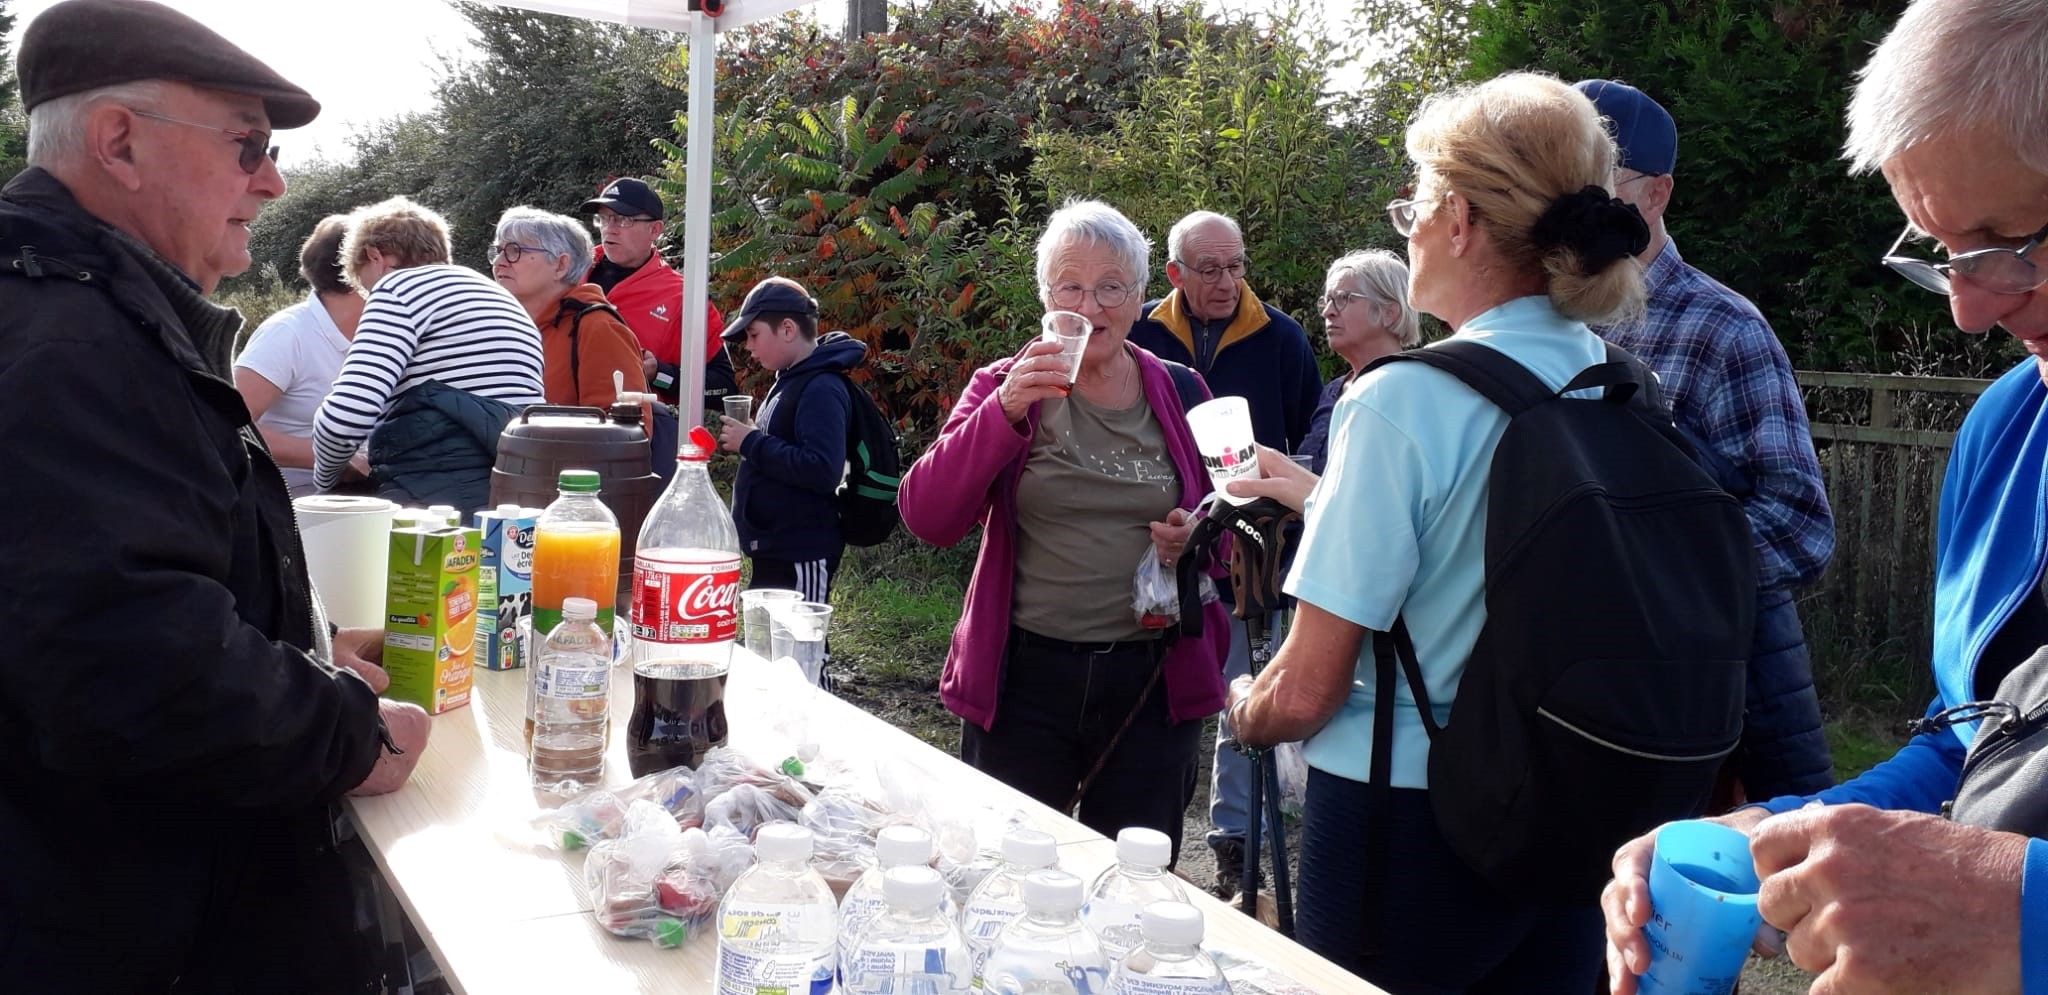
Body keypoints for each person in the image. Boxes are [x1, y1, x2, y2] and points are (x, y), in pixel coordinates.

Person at [1603, 1, 2048, 992]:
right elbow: (1975, 741)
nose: (1971, 312)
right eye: (1939, 258)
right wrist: (1785, 827)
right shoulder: (2003, 431)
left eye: (2007, 245)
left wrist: (2025, 909)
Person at [0, 2, 429, 990]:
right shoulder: (68, 340)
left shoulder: (86, 312)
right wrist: (347, 731)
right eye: (248, 146)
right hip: (118, 923)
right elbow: (125, 658)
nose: (273, 181)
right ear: (119, 142)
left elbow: (132, 571)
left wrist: (307, 651)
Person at [1223, 73, 1651, 989]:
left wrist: (1244, 711)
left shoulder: (1400, 401)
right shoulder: (1619, 384)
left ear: (1458, 219)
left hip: (1410, 818)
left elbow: (1304, 689)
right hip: (1575, 811)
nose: (1406, 226)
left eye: (1413, 203)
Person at [899, 200, 1231, 862]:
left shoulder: (1185, 389)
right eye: (1071, 286)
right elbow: (926, 516)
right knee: (1005, 872)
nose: (1090, 305)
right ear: (1046, 296)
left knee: (1135, 878)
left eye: (1111, 286)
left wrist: (1193, 539)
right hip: (1026, 679)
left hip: (1148, 683)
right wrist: (1006, 409)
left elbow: (1230, 533)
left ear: (1141, 298)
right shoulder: (1003, 384)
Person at [1576, 78, 1838, 804]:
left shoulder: (1724, 327)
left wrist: (1645, 566)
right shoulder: (1540, 325)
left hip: (1688, 725)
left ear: (1655, 195)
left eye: (1596, 184)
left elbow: (1800, 529)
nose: (1568, 208)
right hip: (1570, 707)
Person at [1127, 209, 1322, 896]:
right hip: (1152, 536)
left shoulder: (1281, 337)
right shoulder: (1140, 326)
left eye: (1236, 265)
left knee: (1246, 685)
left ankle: (1234, 842)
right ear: (1175, 272)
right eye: (1208, 268)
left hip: (1252, 542)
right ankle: (1143, 829)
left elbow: (1304, 437)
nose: (1226, 281)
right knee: (1162, 683)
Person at [312, 196, 545, 513]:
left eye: (366, 287)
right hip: (518, 484)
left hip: (436, 489)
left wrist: (326, 482)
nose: (369, 297)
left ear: (376, 257)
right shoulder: (500, 298)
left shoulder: (398, 286)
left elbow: (345, 416)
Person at [715, 276, 859, 605]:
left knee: (801, 648)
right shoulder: (789, 381)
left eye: (753, 335)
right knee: (769, 647)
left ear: (788, 330)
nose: (749, 347)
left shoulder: (821, 387)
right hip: (775, 546)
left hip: (801, 548)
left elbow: (823, 469)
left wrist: (751, 442)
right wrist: (754, 436)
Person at [233, 214, 369, 497]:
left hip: (359, 502)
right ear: (360, 268)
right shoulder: (286, 333)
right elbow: (227, 426)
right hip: (287, 510)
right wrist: (333, 459)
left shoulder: (385, 334)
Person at [581, 176, 735, 410]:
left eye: (623, 220)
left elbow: (724, 388)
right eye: (603, 218)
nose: (610, 229)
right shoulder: (568, 271)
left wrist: (660, 374)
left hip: (632, 437)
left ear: (655, 229)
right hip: (557, 424)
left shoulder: (684, 297)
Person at [490, 205, 649, 411]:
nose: (499, 262)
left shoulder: (598, 327)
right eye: (497, 251)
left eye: (514, 251)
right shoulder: (498, 325)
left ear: (560, 265)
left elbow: (626, 430)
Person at [1296, 250, 1421, 474]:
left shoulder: (1411, 390)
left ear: (1390, 312)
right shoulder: (1333, 391)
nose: (1327, 312)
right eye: (1326, 301)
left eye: (1343, 299)